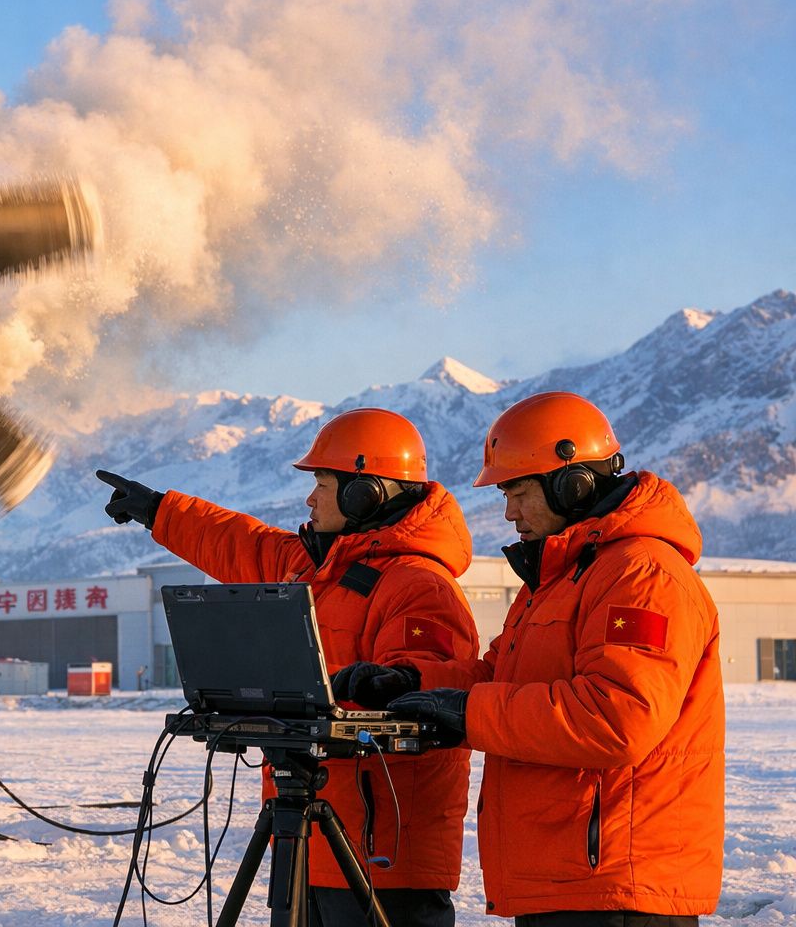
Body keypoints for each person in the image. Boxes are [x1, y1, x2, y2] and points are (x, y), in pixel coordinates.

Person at [341, 391, 724, 925]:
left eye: (518, 492)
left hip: (615, 888)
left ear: (573, 483)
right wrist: (409, 680)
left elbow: (618, 717)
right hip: (567, 877)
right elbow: (497, 674)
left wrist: (467, 713)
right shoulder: (561, 577)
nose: (509, 512)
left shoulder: (642, 575)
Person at [98, 408, 478, 927]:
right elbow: (241, 542)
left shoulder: (419, 584)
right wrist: (159, 511)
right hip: (307, 839)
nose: (310, 499)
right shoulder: (312, 566)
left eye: (322, 484)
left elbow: (435, 685)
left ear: (365, 494)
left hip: (381, 858)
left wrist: (391, 683)